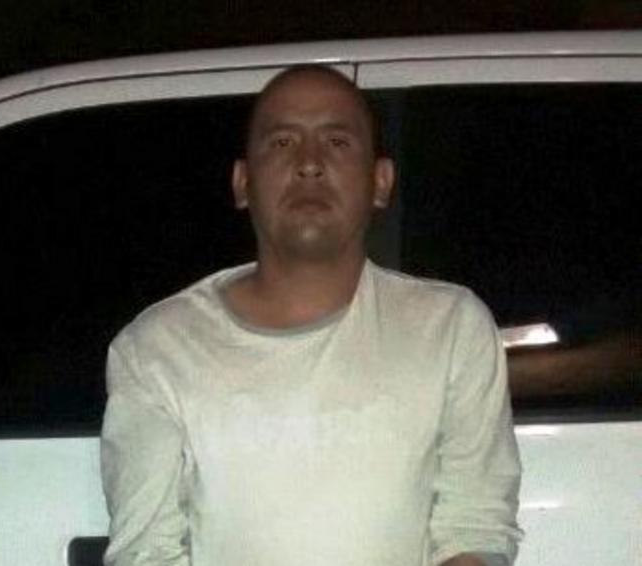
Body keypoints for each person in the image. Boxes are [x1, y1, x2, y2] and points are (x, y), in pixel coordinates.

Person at [100, 65, 523, 566]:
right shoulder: (157, 349)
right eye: (282, 142)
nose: (309, 164)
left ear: (381, 181)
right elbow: (146, 552)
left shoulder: (450, 328)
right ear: (242, 182)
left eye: (337, 142)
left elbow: (473, 527)